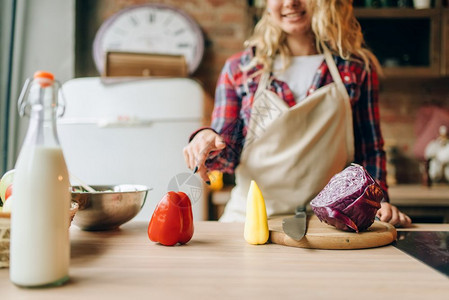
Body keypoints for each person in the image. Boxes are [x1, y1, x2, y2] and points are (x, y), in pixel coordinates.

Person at [183, 0, 412, 227]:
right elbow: (227, 156)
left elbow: (369, 151)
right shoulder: (242, 68)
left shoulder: (355, 67)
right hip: (249, 220)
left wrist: (377, 202)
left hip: (331, 223)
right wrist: (205, 139)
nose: (291, 3)